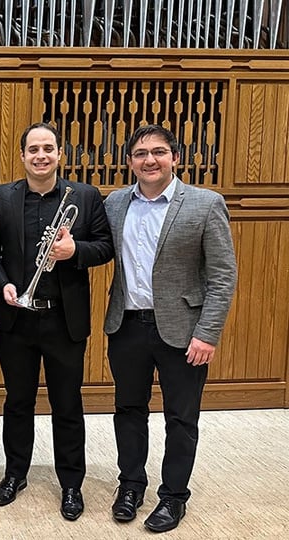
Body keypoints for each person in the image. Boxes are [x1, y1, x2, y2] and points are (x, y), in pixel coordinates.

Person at [104, 124, 237, 533]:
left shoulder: (205, 203)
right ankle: (130, 485)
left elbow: (222, 275)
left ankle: (174, 496)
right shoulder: (113, 204)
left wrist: (207, 333)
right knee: (128, 411)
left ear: (175, 158)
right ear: (130, 161)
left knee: (181, 418)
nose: (149, 160)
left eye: (158, 152)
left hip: (185, 332)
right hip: (126, 326)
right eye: (140, 153)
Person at [0, 122, 114, 520]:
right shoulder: (3, 197)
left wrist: (75, 250)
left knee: (67, 404)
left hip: (64, 322)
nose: (41, 155)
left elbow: (105, 247)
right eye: (33, 149)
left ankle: (71, 484)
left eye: (49, 148)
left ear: (60, 154)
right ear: (22, 155)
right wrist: (3, 284)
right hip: (17, 319)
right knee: (17, 402)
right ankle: (14, 474)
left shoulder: (86, 196)